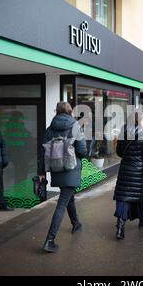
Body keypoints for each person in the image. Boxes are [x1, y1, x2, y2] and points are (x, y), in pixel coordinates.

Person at [39, 102, 87, 253]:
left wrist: (42, 172)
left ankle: (76, 223)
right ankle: (50, 240)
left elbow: (43, 152)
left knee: (68, 197)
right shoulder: (75, 126)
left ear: (57, 112)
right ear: (70, 111)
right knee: (62, 203)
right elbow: (83, 150)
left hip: (56, 169)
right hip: (71, 169)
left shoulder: (49, 129)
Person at [113, 110, 143, 240]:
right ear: (139, 120)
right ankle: (142, 220)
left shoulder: (122, 133)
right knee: (141, 195)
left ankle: (120, 228)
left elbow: (119, 152)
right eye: (142, 119)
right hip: (139, 171)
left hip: (125, 170)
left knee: (123, 198)